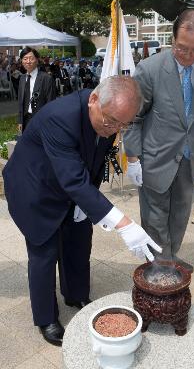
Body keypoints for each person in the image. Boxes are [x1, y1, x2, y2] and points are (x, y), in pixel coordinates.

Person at [3, 76, 161, 347]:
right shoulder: (60, 117)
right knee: (44, 251)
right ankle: (46, 317)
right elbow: (73, 179)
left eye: (124, 124)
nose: (115, 129)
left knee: (78, 241)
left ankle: (75, 294)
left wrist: (85, 202)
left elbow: (93, 161)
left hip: (71, 185)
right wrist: (123, 223)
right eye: (111, 121)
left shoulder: (109, 116)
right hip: (36, 187)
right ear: (93, 100)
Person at [124, 9, 194, 270]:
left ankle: (171, 256)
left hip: (189, 156)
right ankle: (159, 265)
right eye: (182, 48)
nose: (188, 56)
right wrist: (132, 158)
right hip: (155, 156)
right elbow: (134, 117)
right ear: (172, 39)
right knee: (156, 216)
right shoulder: (149, 69)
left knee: (180, 214)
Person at [18, 47, 56, 132]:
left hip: (40, 120)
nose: (28, 61)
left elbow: (51, 103)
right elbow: (21, 102)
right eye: (25, 59)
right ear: (22, 61)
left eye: (31, 58)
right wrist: (20, 121)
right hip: (26, 120)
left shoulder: (46, 78)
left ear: (37, 60)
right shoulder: (22, 78)